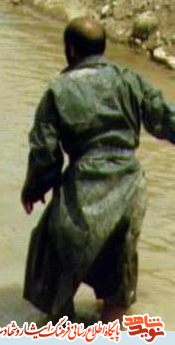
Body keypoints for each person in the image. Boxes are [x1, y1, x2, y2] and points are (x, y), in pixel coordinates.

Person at [21, 17, 175, 323]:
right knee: (119, 263)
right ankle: (113, 328)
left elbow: (45, 153)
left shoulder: (58, 90)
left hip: (85, 183)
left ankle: (61, 330)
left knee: (53, 257)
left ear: (71, 50)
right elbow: (167, 120)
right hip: (130, 185)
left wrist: (34, 189)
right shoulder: (131, 80)